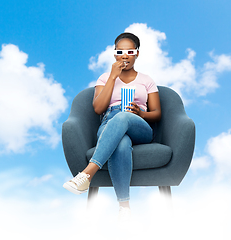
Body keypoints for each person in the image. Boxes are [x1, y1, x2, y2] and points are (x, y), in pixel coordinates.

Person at [63, 32, 161, 220]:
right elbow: (99, 108)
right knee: (121, 143)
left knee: (124, 116)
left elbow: (157, 113)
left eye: (130, 51)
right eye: (120, 51)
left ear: (137, 54)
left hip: (139, 125)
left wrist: (140, 113)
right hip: (109, 122)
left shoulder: (147, 80)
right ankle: (124, 207)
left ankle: (87, 174)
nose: (125, 55)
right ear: (115, 54)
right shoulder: (104, 78)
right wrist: (112, 77)